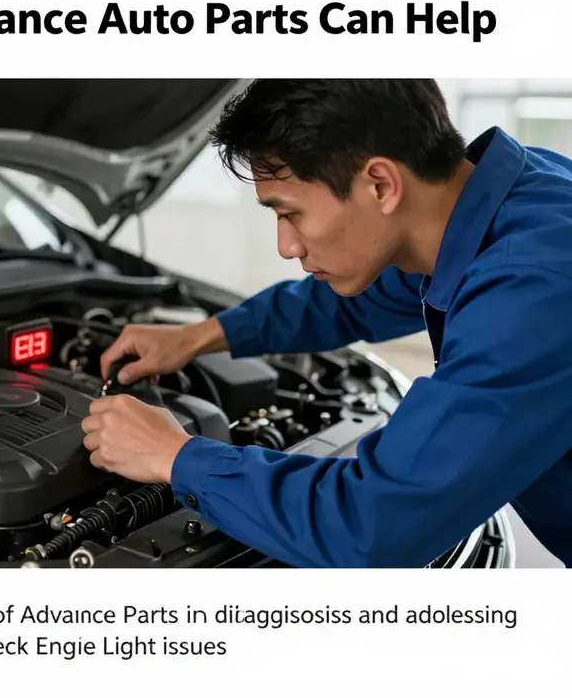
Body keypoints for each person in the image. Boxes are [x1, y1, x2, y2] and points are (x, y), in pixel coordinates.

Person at [80, 79, 572, 569]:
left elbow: (372, 526)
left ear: (381, 184)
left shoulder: (533, 286)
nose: (286, 246)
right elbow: (355, 301)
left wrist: (174, 455)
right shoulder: (511, 194)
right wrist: (202, 336)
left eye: (289, 213)